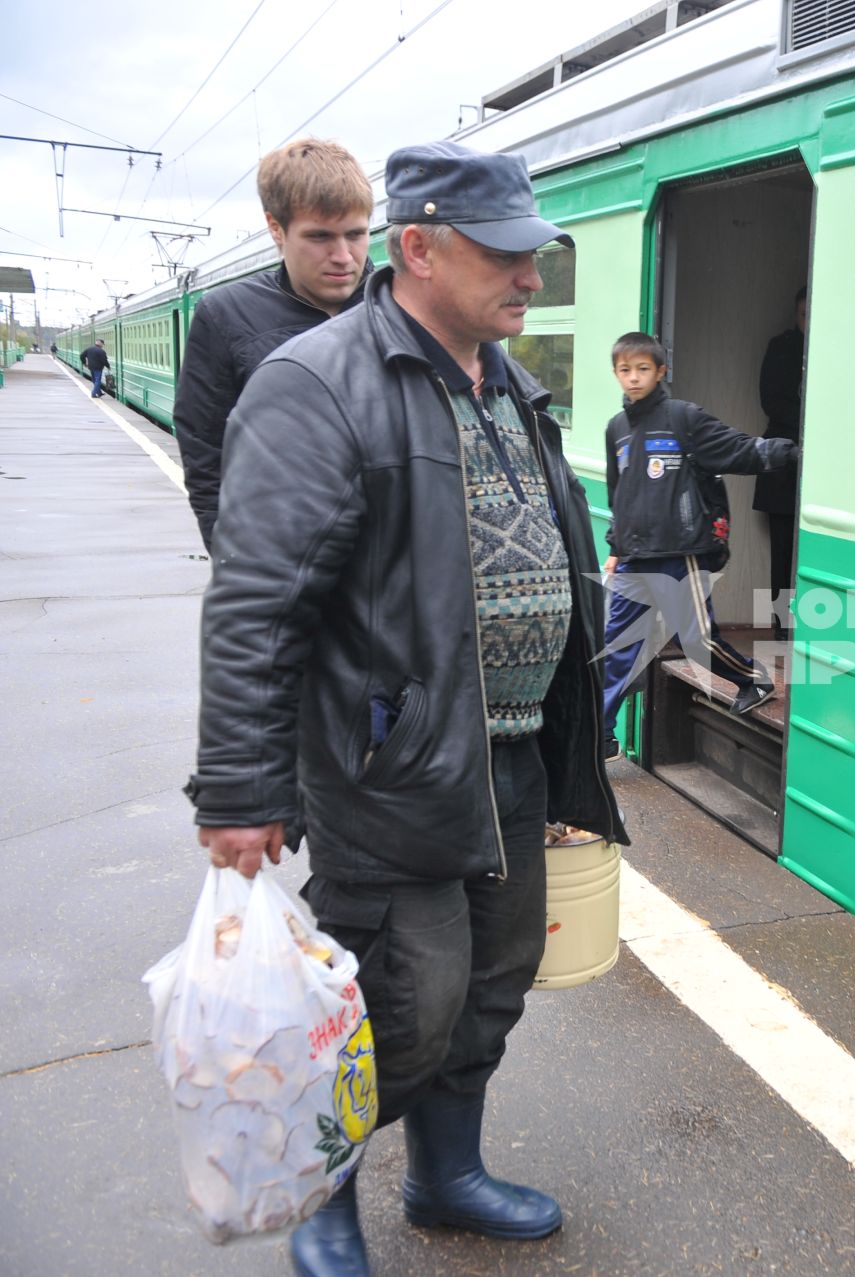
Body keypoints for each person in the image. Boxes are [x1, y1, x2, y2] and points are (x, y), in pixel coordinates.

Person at [187, 140, 625, 1277]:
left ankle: (445, 1172)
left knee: (493, 978)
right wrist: (241, 786)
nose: (533, 278)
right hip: (389, 766)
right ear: (419, 248)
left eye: (539, 256)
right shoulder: (319, 383)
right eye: (508, 257)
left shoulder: (512, 387)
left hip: (512, 755)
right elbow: (256, 603)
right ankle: (321, 1189)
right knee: (400, 993)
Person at [174, 138, 373, 551]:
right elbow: (205, 448)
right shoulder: (225, 314)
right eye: (320, 237)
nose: (343, 256)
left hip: (389, 571)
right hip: (283, 557)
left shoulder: (400, 306)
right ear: (276, 229)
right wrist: (230, 556)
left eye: (355, 234)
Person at [600, 329, 795, 746]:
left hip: (681, 551)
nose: (633, 378)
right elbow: (620, 493)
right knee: (615, 646)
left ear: (660, 371)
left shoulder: (683, 418)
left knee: (697, 641)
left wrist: (793, 452)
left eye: (642, 369)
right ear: (616, 374)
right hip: (635, 555)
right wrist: (616, 547)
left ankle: (753, 680)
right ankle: (601, 735)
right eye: (624, 370)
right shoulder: (616, 428)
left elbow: (739, 449)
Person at [754, 287, 806, 637]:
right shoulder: (781, 347)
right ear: (795, 315)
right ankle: (781, 630)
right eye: (804, 315)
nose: (808, 322)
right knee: (783, 553)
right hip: (784, 463)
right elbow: (770, 401)